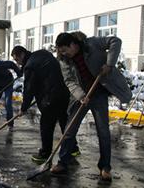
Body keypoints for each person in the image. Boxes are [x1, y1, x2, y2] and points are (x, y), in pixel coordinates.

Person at [52, 32, 132, 182]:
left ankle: (105, 167)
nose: (62, 54)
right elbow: (69, 81)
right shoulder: (64, 60)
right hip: (82, 96)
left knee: (103, 131)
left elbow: (115, 41)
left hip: (99, 94)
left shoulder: (92, 44)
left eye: (64, 50)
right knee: (69, 130)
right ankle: (63, 162)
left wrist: (109, 64)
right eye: (60, 51)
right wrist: (81, 96)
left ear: (73, 45)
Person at [11, 46, 80, 164]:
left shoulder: (30, 66)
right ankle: (73, 148)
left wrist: (24, 107)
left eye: (17, 59)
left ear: (22, 55)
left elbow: (29, 88)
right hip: (63, 92)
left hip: (49, 98)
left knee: (46, 125)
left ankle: (45, 153)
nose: (17, 62)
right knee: (64, 121)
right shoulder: (42, 53)